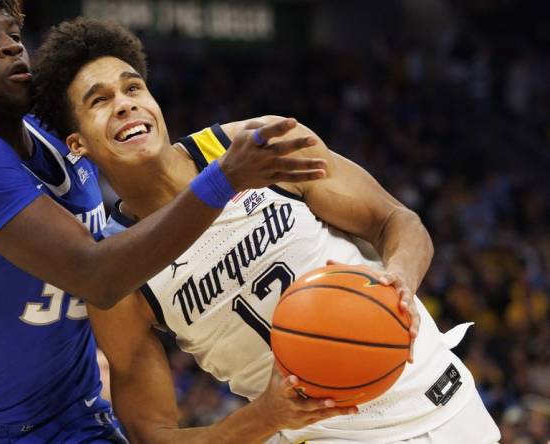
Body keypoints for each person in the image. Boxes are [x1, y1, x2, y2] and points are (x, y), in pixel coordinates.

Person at [32, 18, 502, 443]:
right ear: (77, 143)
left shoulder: (257, 145)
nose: (125, 105)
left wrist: (400, 273)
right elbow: (153, 435)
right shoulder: (116, 271)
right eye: (100, 100)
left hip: (443, 398)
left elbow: (397, 220)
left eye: (133, 88)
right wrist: (266, 416)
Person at [0, 1, 325, 442]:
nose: (10, 48)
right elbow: (95, 275)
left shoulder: (62, 136)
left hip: (74, 418)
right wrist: (224, 177)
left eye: (13, 36)